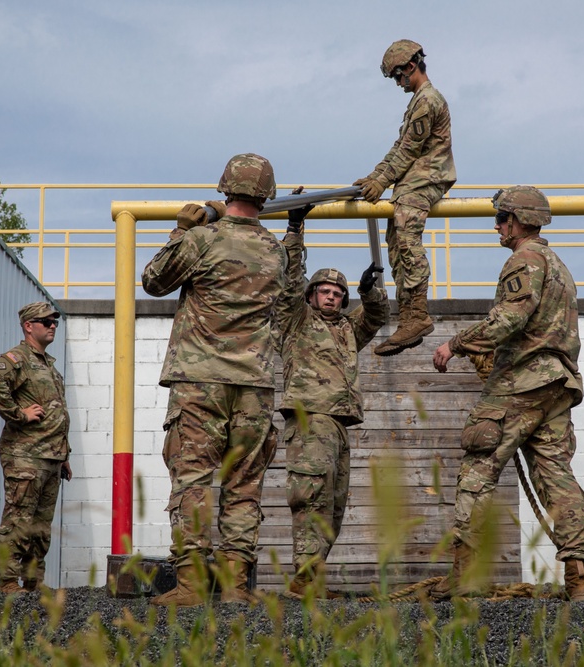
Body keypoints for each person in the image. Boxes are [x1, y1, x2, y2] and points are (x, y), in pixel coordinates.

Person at [431, 186, 584, 602]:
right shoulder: (560, 267)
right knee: (556, 476)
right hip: (556, 386)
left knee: (477, 470)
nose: (497, 226)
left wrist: (457, 344)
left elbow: (509, 319)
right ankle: (578, 579)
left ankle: (466, 576)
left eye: (503, 218)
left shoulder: (524, 260)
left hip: (520, 383)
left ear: (520, 220)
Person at [141, 153, 287, 607]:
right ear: (267, 195)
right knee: (244, 486)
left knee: (193, 481)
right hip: (255, 385)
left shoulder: (201, 240)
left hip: (201, 380)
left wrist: (182, 229)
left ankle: (189, 587)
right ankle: (236, 588)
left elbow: (153, 280)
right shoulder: (274, 250)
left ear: (225, 188)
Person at [275, 198, 389, 597]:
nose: (332, 297)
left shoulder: (345, 329)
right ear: (311, 296)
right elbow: (288, 283)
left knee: (334, 504)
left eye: (339, 294)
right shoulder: (296, 321)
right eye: (324, 291)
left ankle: (312, 578)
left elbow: (375, 319)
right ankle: (305, 579)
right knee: (311, 498)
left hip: (339, 422)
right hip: (309, 418)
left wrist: (368, 291)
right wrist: (295, 231)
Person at [354, 39, 456, 357]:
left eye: (398, 77)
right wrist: (375, 177)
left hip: (428, 177)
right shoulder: (416, 102)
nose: (399, 84)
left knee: (406, 229)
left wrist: (382, 181)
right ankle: (409, 317)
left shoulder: (427, 100)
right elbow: (399, 147)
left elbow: (410, 150)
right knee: (396, 238)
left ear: (410, 67)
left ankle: (418, 315)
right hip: (412, 180)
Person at [0, 301, 72, 595]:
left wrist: (65, 455)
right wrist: (20, 415)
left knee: (41, 527)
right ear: (28, 326)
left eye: (54, 321)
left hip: (51, 457)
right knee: (19, 519)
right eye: (45, 321)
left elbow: (58, 412)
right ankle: (7, 581)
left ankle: (33, 581)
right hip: (26, 456)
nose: (52, 326)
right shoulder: (17, 358)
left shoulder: (49, 365)